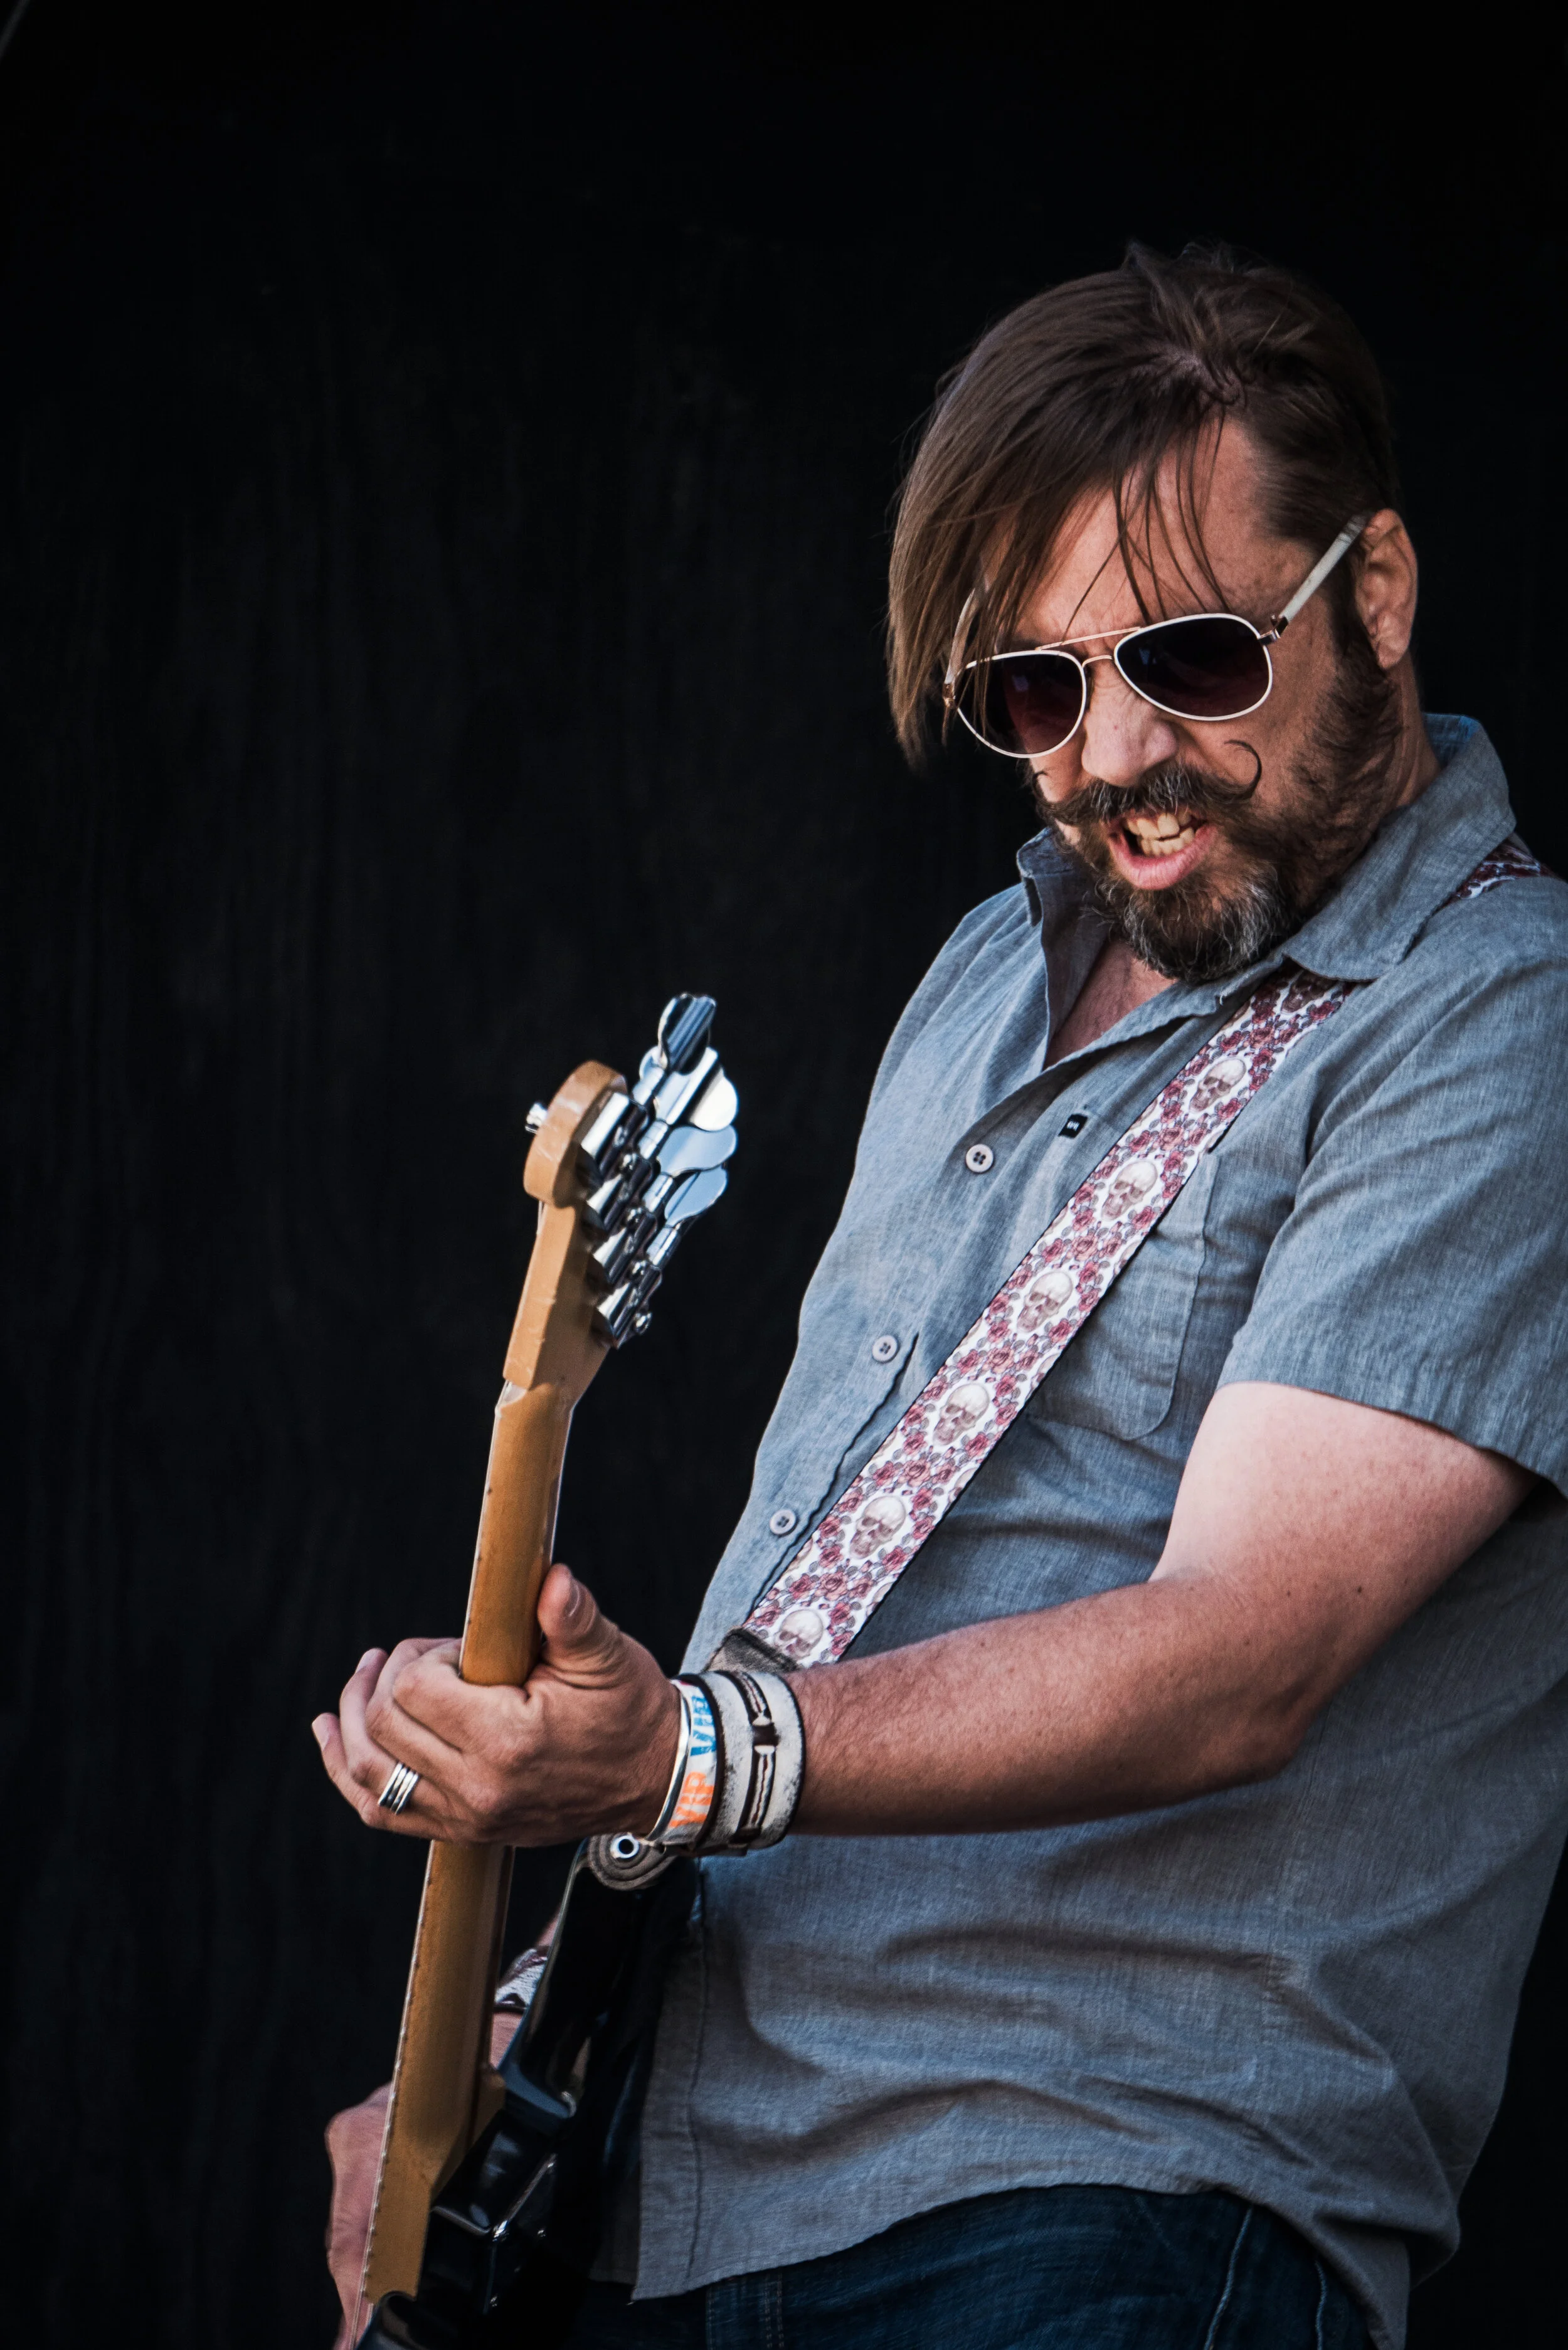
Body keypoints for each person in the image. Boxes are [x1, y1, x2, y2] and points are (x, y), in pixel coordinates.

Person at [314, 243, 1568, 2350]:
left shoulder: (1497, 1020)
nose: (1117, 756)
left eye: (1189, 657)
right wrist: (486, 2057)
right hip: (697, 2193)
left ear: (1372, 592)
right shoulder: (991, 969)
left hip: (1109, 2198)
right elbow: (826, 1596)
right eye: (1034, 692)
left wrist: (677, 1752)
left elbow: (1243, 1656)